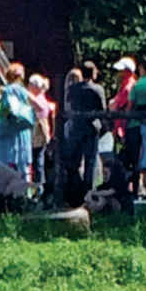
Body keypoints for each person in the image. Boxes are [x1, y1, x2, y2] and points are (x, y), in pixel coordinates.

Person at [64, 61, 107, 206]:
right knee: (90, 161)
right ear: (93, 73)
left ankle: (74, 190)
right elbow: (102, 110)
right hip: (91, 127)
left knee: (73, 161)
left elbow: (69, 105)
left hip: (76, 126)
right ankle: (87, 191)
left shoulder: (73, 89)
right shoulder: (97, 89)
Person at [123, 56, 146, 198]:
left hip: (135, 125)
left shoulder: (137, 85)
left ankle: (135, 190)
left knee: (134, 159)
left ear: (141, 68)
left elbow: (130, 106)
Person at [0, 63, 34, 179]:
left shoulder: (1, 91)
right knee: (23, 173)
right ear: (20, 76)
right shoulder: (23, 92)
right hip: (21, 135)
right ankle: (25, 195)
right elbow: (39, 107)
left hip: (3, 136)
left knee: (3, 174)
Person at [27, 74, 55, 187]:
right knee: (39, 160)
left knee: (37, 162)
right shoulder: (43, 99)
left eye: (30, 85)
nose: (28, 87)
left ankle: (38, 186)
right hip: (42, 135)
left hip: (36, 135)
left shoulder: (36, 100)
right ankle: (40, 185)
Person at [109, 56, 137, 145]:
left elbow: (118, 106)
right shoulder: (125, 84)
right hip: (120, 124)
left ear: (127, 71)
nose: (118, 73)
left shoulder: (128, 87)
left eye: (121, 71)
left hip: (124, 125)